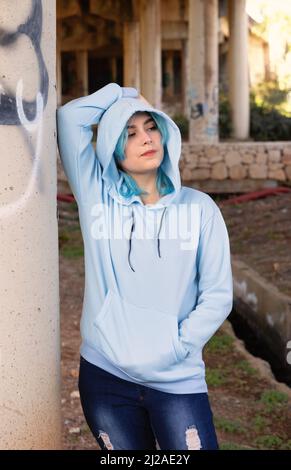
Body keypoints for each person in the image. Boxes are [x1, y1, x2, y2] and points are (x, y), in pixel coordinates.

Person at [56, 83, 233, 450]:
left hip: (176, 380)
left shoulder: (200, 209)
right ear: (112, 149)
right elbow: (69, 118)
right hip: (106, 376)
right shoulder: (96, 198)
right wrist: (125, 92)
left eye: (151, 127)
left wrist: (177, 346)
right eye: (129, 132)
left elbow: (218, 295)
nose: (145, 138)